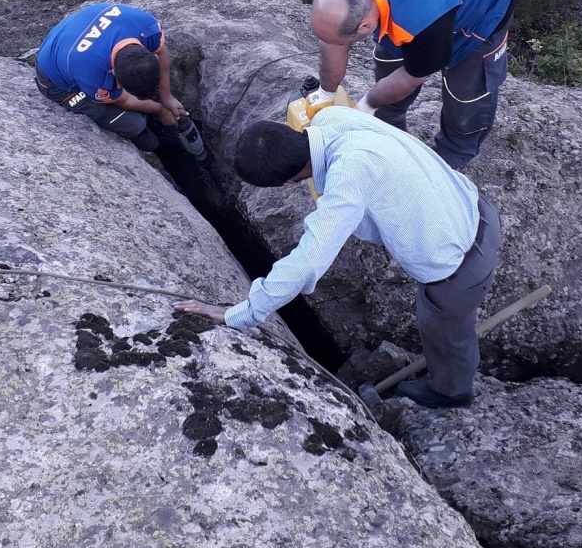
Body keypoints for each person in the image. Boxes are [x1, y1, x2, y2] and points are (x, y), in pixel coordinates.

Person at [174, 107, 502, 409]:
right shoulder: (332, 118)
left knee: (444, 327)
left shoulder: (348, 177)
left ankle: (452, 391)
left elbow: (307, 261)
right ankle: (447, 372)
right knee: (442, 323)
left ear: (288, 181)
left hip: (460, 266)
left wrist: (240, 313)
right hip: (474, 206)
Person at [308, 0, 517, 171]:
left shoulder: (424, 17)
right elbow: (334, 42)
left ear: (364, 26)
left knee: (465, 90)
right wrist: (326, 93)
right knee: (391, 54)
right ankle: (390, 120)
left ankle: (453, 154)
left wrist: (366, 104)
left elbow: (413, 75)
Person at [34, 3, 186, 153]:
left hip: (71, 40)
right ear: (113, 72)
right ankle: (145, 142)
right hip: (57, 82)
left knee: (141, 103)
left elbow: (161, 53)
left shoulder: (146, 27)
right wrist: (159, 110)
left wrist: (167, 97)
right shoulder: (93, 75)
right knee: (134, 124)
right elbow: (124, 100)